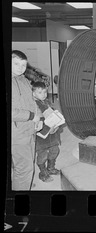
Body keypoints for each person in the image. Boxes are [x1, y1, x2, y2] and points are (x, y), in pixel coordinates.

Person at [11, 50, 42, 190]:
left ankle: (24, 182)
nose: (20, 68)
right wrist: (31, 116)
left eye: (23, 65)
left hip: (30, 130)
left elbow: (33, 101)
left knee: (28, 164)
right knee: (24, 168)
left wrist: (39, 118)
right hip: (17, 134)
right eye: (16, 64)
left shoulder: (24, 80)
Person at [32, 81, 61, 183]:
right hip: (41, 135)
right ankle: (43, 172)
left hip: (52, 133)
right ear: (33, 93)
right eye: (40, 92)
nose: (43, 94)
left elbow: (53, 115)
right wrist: (48, 128)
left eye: (45, 92)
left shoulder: (47, 102)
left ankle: (51, 168)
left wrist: (57, 124)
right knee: (42, 154)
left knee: (55, 150)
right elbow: (37, 122)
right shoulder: (33, 105)